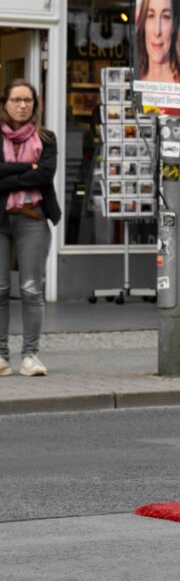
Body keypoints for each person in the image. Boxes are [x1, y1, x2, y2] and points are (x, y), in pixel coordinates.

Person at [0, 79, 60, 378]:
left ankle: (30, 356)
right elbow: (35, 174)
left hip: (32, 219)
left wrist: (12, 175)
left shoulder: (46, 139)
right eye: (16, 100)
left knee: (31, 289)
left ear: (35, 105)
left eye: (28, 100)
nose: (22, 106)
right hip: (0, 220)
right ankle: (0, 356)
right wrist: (28, 169)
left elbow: (46, 175)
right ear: (5, 104)